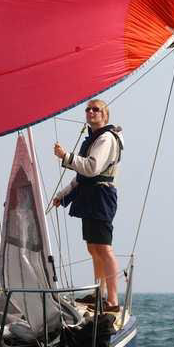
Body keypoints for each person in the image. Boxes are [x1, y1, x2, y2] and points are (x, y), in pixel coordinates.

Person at [53, 99, 123, 311]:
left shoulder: (106, 139)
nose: (91, 112)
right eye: (88, 109)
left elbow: (91, 168)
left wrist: (66, 156)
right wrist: (62, 195)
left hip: (101, 196)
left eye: (96, 109)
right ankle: (99, 293)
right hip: (90, 195)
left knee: (103, 248)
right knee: (93, 247)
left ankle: (112, 300)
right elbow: (81, 177)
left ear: (105, 115)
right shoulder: (93, 139)